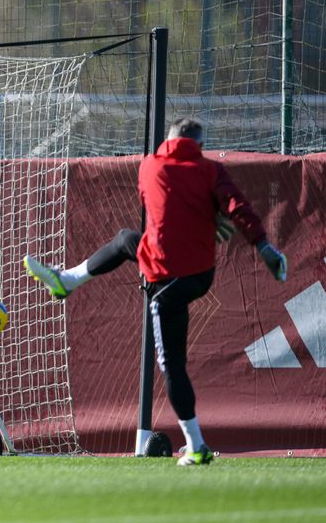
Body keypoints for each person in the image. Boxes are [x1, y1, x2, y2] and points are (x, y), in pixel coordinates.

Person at [23, 118, 287, 466]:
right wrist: (261, 244)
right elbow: (237, 207)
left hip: (163, 271)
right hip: (197, 274)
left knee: (171, 362)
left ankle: (196, 445)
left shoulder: (149, 165)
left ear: (169, 140)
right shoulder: (211, 170)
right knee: (124, 240)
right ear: (198, 143)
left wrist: (203, 214)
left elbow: (162, 206)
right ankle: (68, 280)